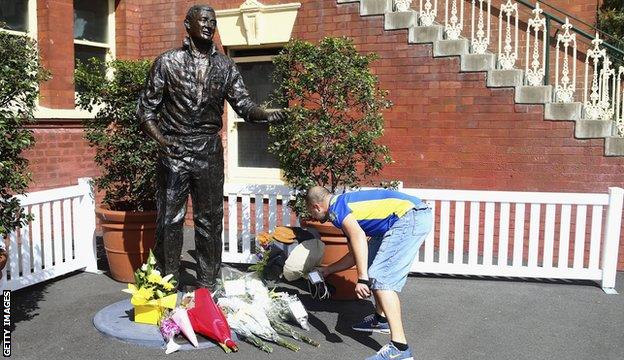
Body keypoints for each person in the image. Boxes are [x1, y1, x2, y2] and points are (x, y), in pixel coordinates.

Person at [137, 4, 285, 288]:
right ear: (188, 25)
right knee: (169, 221)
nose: (209, 25)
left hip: (208, 152)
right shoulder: (167, 63)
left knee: (210, 221)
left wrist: (265, 114)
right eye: (203, 20)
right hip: (174, 151)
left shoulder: (225, 66)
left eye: (213, 21)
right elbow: (146, 111)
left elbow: (244, 105)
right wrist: (163, 141)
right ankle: (165, 285)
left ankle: (208, 286)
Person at [306, 186, 432, 360]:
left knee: (380, 277)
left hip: (409, 217)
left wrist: (363, 279)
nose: (313, 217)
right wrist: (327, 270)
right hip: (403, 218)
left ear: (316, 207)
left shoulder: (336, 210)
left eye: (311, 213)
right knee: (372, 264)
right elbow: (354, 255)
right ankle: (381, 321)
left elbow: (358, 236)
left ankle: (400, 349)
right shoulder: (343, 204)